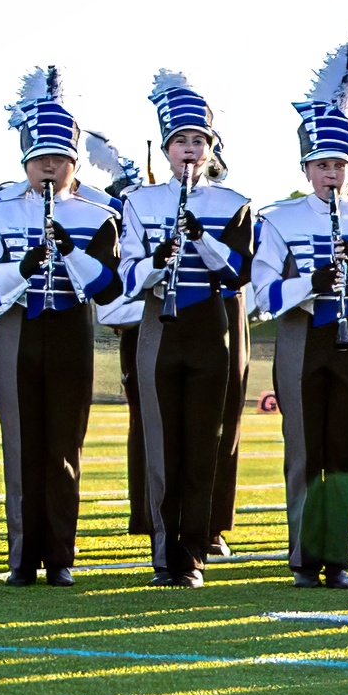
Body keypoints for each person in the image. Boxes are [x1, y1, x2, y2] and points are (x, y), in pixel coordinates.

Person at [0, 66, 122, 585]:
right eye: (40, 159)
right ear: (25, 162)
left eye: (59, 159)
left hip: (71, 328)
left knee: (64, 447)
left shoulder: (99, 215)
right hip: (16, 330)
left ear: (74, 164)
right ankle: (22, 558)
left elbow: (107, 286)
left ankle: (61, 557)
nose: (49, 168)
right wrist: (24, 267)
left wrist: (69, 251)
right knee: (21, 445)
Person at [247, 43, 348, 588]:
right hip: (302, 335)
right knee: (305, 448)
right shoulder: (280, 220)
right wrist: (309, 283)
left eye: (340, 165)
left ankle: (339, 558)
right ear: (307, 168)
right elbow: (262, 293)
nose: (331, 174)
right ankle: (306, 558)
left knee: (347, 446)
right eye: (322, 165)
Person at [126, 69, 257, 586]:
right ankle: (164, 554)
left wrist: (200, 239)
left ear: (210, 149)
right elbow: (127, 275)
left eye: (197, 141)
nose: (188, 149)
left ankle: (194, 553)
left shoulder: (232, 202)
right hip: (161, 320)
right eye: (179, 141)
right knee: (162, 442)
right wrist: (159, 261)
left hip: (209, 323)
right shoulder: (140, 202)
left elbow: (238, 271)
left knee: (205, 440)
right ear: (166, 149)